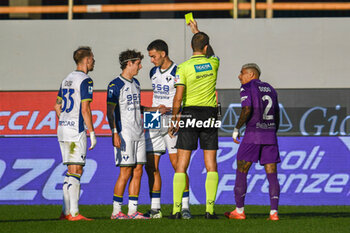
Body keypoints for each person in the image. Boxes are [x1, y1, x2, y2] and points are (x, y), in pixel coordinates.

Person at [169, 19, 220, 219]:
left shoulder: (182, 67)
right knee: (211, 164)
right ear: (206, 47)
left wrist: (174, 119)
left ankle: (175, 211)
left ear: (191, 47)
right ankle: (209, 210)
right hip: (209, 114)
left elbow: (178, 97)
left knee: (182, 163)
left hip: (189, 113)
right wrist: (197, 31)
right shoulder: (214, 63)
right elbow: (212, 52)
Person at [107, 49, 165, 220]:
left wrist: (155, 109)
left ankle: (133, 211)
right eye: (138, 63)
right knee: (125, 172)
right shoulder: (115, 85)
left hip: (139, 133)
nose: (140, 66)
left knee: (138, 170)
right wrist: (114, 133)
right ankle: (116, 211)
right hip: (125, 134)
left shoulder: (136, 83)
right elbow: (110, 112)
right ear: (129, 63)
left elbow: (138, 108)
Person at [224, 63, 281, 221]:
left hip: (253, 135)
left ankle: (239, 211)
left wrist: (236, 128)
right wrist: (271, 132)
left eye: (241, 73)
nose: (239, 76)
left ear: (251, 75)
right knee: (272, 174)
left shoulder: (247, 86)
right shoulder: (270, 88)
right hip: (269, 135)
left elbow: (247, 109)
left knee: (242, 170)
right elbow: (277, 114)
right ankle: (274, 213)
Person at [144, 40, 191, 219]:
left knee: (177, 165)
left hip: (171, 119)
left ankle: (184, 206)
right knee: (151, 166)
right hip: (154, 118)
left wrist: (176, 117)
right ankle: (155, 208)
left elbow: (181, 97)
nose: (151, 60)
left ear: (163, 54)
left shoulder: (178, 71)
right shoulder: (152, 72)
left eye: (153, 56)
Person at [54, 46, 97, 221]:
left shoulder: (66, 80)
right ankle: (74, 213)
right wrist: (92, 132)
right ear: (86, 60)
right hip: (75, 130)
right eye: (92, 59)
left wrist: (65, 118)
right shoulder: (86, 80)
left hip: (63, 128)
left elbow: (57, 105)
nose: (94, 61)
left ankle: (66, 212)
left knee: (71, 169)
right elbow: (85, 108)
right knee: (76, 170)